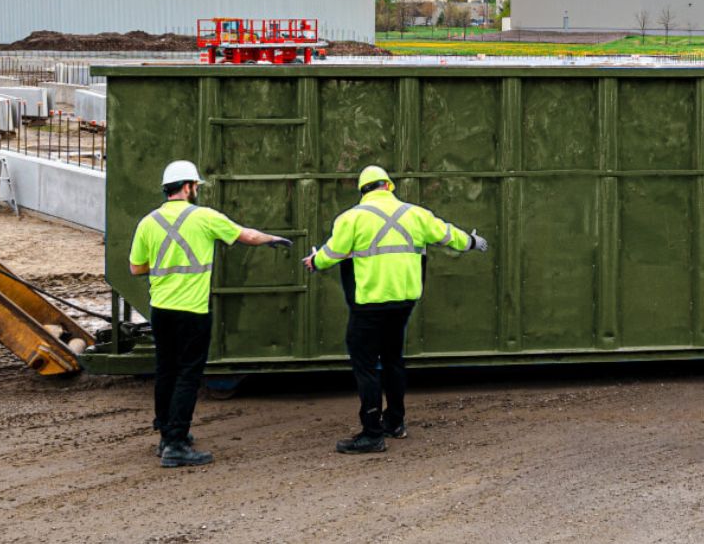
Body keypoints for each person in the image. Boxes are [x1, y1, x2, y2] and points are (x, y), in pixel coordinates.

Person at [303, 165, 489, 454]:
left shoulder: (350, 218)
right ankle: (395, 421)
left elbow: (333, 253)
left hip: (369, 305)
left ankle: (371, 433)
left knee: (366, 365)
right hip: (403, 302)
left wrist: (314, 261)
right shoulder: (416, 214)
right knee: (392, 359)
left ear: (362, 191)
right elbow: (448, 235)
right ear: (388, 186)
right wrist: (473, 242)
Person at [129, 160, 292, 468]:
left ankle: (166, 434)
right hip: (192, 310)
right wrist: (273, 239)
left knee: (166, 371)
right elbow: (246, 236)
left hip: (161, 309)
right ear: (188, 187)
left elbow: (136, 268)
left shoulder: (148, 222)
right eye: (195, 186)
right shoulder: (204, 217)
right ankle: (176, 444)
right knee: (189, 375)